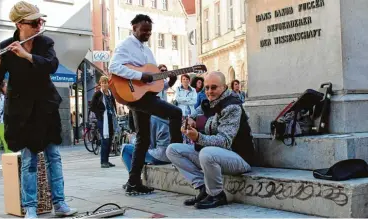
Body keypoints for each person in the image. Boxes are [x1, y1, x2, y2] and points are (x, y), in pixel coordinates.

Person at [0, 1, 77, 218]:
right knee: (29, 159)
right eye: (34, 22)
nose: (38, 25)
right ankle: (30, 207)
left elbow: (51, 65)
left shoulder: (45, 43)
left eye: (40, 21)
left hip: (46, 107)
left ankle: (60, 204)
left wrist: (27, 56)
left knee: (54, 155)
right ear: (19, 24)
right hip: (22, 112)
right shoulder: (7, 45)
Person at [109, 14, 182, 195]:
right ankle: (180, 157)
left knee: (143, 139)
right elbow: (114, 67)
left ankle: (134, 182)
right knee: (176, 113)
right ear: (134, 28)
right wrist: (140, 76)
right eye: (144, 30)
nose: (147, 34)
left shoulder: (147, 51)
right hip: (137, 97)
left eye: (149, 31)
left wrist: (170, 82)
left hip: (142, 96)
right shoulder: (125, 45)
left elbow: (153, 83)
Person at [166, 71, 255, 209]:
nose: (209, 91)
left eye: (214, 87)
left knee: (207, 153)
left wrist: (198, 137)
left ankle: (217, 195)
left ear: (224, 87)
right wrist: (190, 121)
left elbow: (224, 141)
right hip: (215, 155)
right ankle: (203, 188)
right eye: (206, 88)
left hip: (239, 157)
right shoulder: (209, 102)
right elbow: (195, 113)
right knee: (172, 150)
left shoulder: (232, 106)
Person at [90, 76, 118, 168]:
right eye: (102, 83)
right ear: (100, 83)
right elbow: (92, 107)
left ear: (108, 83)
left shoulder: (110, 93)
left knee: (109, 140)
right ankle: (103, 161)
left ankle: (107, 160)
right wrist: (100, 114)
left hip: (110, 119)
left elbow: (113, 105)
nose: (104, 84)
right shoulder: (97, 94)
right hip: (103, 120)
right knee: (105, 139)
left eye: (105, 82)